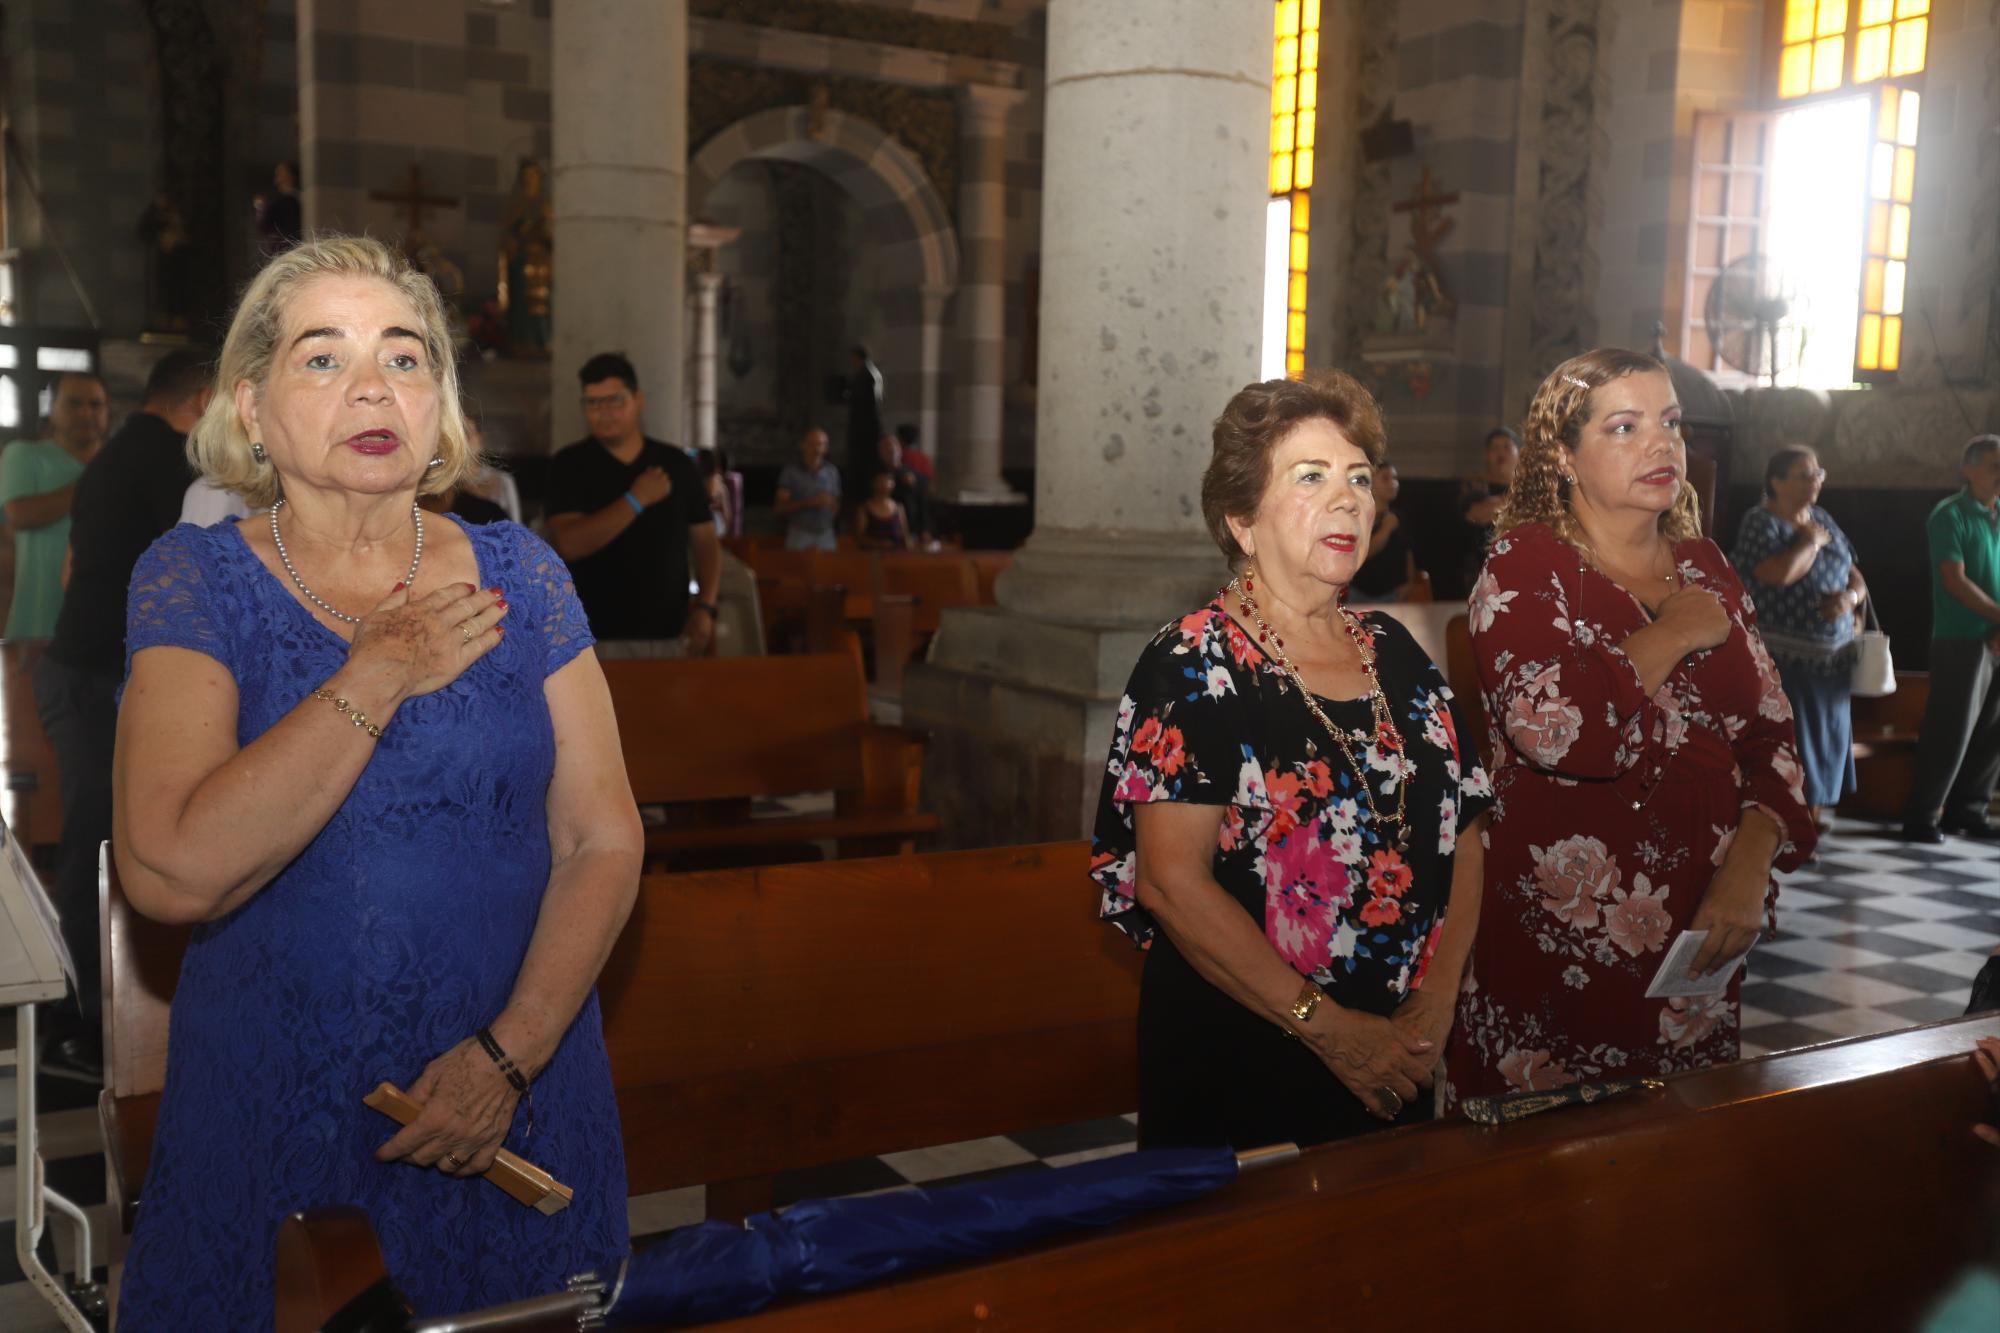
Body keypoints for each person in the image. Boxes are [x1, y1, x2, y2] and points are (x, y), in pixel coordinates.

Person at [110, 235, 640, 1325]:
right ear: (249, 406)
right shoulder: (195, 582)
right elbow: (170, 871)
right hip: (277, 1111)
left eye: (404, 359)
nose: (371, 387)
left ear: (438, 402)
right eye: (321, 358)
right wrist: (380, 670)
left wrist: (509, 1055)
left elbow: (602, 838)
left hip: (516, 1096)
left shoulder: (520, 575)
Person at [1090, 370, 1494, 1151]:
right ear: (1242, 518)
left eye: (1357, 478)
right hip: (1248, 1052)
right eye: (1311, 477)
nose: (1348, 499)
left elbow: (1466, 826)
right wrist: (1332, 1030)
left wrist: (1437, 1003)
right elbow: (1171, 882)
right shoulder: (1191, 664)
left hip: (1402, 1050)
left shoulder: (1394, 652)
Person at [1445, 348, 1816, 1104]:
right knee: (1534, 1204)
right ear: (1564, 456)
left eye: (1670, 422)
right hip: (1557, 970)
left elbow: (1774, 737)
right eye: (1624, 426)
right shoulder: (1525, 566)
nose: (1662, 444)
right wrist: (1673, 631)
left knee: (1675, 1188)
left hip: (1699, 954)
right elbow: (1556, 731)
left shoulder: (1707, 565)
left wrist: (1748, 868)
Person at [33, 348, 211, 1079]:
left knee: (104, 839)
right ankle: (75, 1022)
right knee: (98, 845)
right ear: (204, 400)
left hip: (82, 667)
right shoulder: (170, 465)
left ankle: (89, 1016)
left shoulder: (115, 455)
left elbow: (79, 562)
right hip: (97, 674)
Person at [1731, 446, 1868, 831]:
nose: (1816, 481)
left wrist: (1849, 598)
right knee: (1793, 742)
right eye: (1804, 474)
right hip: (1784, 661)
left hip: (1830, 660)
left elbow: (1855, 574)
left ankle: (1813, 816)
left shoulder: (1822, 519)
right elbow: (1778, 575)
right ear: (1776, 482)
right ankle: (1785, 822)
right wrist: (1809, 543)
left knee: (1826, 741)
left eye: (1818, 473)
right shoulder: (1761, 523)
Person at [545, 353, 721, 650]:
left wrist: (706, 606)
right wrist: (636, 499)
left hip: (669, 633)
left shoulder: (676, 464)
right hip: (588, 637)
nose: (604, 412)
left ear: (637, 399)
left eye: (615, 400)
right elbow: (569, 543)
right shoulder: (569, 465)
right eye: (593, 402)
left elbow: (705, 542)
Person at [1900, 435, 2000, 843]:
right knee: (1951, 729)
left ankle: (1969, 809)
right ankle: (1923, 815)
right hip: (1961, 639)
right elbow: (1953, 580)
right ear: (1969, 469)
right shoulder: (1950, 514)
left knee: (1993, 731)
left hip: (1996, 636)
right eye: (1994, 465)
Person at [2, 370, 109, 637]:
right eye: (74, 403)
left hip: (106, 627)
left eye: (95, 405)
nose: (86, 413)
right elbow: (21, 515)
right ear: (51, 408)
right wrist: (95, 482)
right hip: (37, 625)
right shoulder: (24, 455)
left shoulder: (119, 463)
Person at [1457, 426, 1519, 591]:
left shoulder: (1531, 489)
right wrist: (1515, 498)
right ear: (1487, 455)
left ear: (1519, 453)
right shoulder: (1476, 486)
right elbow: (1476, 514)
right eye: (1495, 448)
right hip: (1484, 579)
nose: (1501, 452)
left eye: (1507, 447)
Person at [1350, 460, 1418, 601]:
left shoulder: (1399, 517)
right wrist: (1386, 529)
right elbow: (1364, 553)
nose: (1392, 483)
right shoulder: (1358, 516)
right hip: (1360, 593)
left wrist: (1409, 583)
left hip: (1393, 593)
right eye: (1385, 478)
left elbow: (1408, 554)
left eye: (1395, 478)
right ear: (1370, 484)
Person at [775, 427, 842, 552]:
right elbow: (780, 507)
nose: (816, 449)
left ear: (826, 448)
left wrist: (831, 505)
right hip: (799, 532)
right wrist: (810, 502)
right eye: (812, 444)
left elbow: (836, 502)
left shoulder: (832, 472)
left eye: (821, 444)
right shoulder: (790, 472)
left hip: (826, 533)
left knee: (829, 569)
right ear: (803, 445)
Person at [839, 345, 884, 492]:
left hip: (865, 427)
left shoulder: (870, 375)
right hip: (860, 425)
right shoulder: (861, 374)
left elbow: (872, 402)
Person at [894, 422, 934, 542]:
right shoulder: (924, 458)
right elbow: (930, 484)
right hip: (923, 506)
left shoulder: (902, 458)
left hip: (907, 507)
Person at [254, 159, 303, 255]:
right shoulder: (280, 200)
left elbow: (263, 224)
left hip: (287, 247)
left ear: (292, 176)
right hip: (288, 248)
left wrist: (259, 206)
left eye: (280, 174)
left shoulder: (280, 201)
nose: (277, 180)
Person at [855, 468, 912, 550]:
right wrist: (879, 544)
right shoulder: (864, 508)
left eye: (888, 480)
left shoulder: (898, 508)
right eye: (880, 481)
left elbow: (905, 536)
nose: (884, 484)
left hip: (896, 556)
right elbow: (860, 538)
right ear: (873, 483)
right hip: (871, 557)